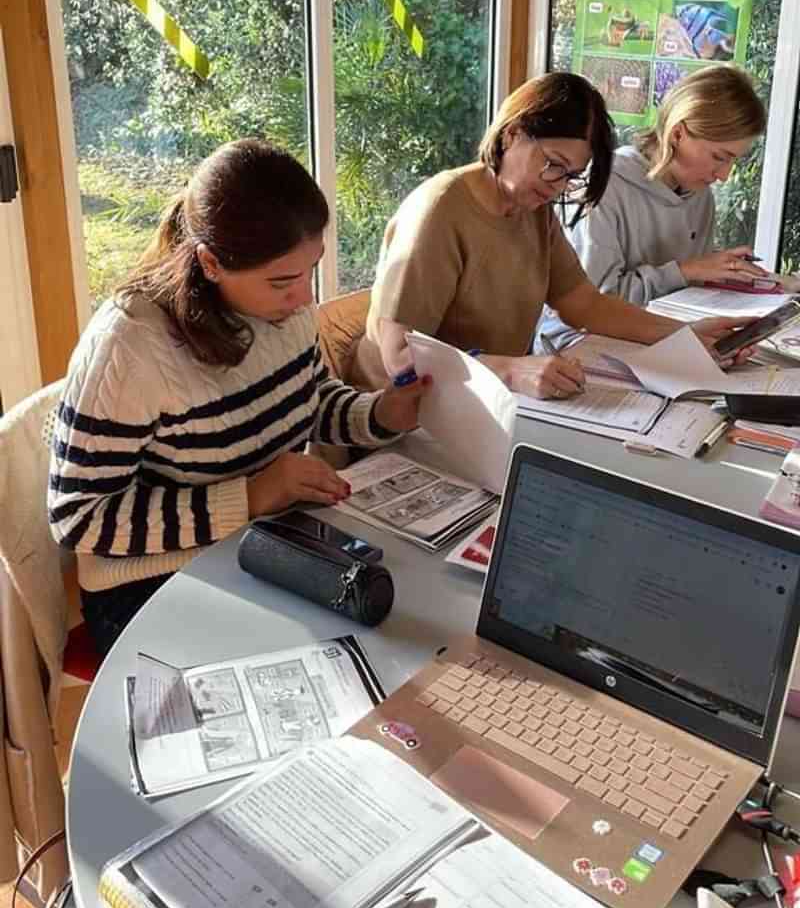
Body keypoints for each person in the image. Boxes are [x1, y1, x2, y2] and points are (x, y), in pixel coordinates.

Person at [48, 140, 427, 659]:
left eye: (310, 270)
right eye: (283, 282)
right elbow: (80, 517)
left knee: (395, 629)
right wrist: (248, 496)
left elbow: (307, 401)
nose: (304, 298)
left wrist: (379, 413)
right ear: (210, 263)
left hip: (263, 541)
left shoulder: (284, 312)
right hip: (149, 582)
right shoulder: (130, 346)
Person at [349, 71, 749, 400]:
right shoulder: (439, 211)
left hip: (479, 402)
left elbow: (585, 304)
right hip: (397, 416)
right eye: (553, 165)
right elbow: (399, 356)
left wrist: (682, 335)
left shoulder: (532, 209)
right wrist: (510, 369)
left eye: (572, 176)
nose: (558, 185)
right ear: (512, 135)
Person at [537, 65, 768, 350]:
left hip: (663, 338)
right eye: (719, 157)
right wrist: (686, 271)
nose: (724, 176)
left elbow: (684, 299)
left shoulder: (700, 196)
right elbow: (592, 307)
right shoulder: (602, 186)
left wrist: (719, 272)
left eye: (734, 161)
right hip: (582, 343)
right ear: (678, 134)